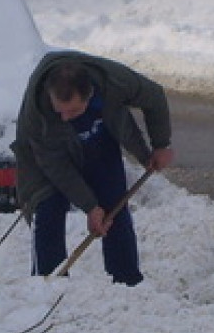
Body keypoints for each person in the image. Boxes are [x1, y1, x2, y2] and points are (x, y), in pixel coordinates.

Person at [12, 50, 174, 286]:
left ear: (90, 95)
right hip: (45, 157)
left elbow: (154, 96)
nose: (66, 118)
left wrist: (160, 144)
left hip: (98, 141)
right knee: (48, 207)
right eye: (61, 111)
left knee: (114, 207)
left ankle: (127, 283)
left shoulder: (114, 81)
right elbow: (56, 166)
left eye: (74, 111)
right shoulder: (38, 114)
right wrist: (89, 206)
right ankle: (49, 286)